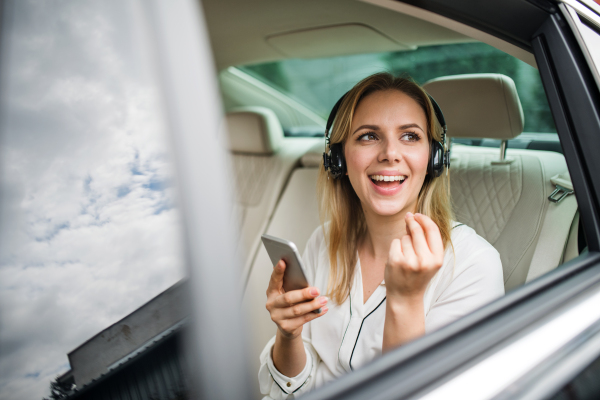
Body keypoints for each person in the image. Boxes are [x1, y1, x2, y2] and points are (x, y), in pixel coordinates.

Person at [258, 72, 504, 399]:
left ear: (433, 158)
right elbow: (297, 385)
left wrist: (406, 300)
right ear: (339, 158)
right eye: (368, 136)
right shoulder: (325, 240)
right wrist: (288, 335)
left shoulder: (473, 265)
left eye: (410, 136)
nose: (390, 153)